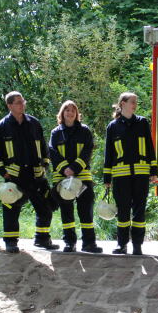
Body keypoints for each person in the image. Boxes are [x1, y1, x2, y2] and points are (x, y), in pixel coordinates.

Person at [0, 91, 59, 253]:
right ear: (9, 105)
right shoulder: (1, 126)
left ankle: (42, 239)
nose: (22, 105)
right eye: (18, 102)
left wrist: (45, 166)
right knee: (11, 210)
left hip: (36, 176)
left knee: (45, 208)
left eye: (23, 101)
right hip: (14, 177)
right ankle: (11, 242)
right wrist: (5, 174)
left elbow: (44, 148)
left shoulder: (34, 123)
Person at [103, 92, 157, 255]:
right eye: (132, 102)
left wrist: (153, 170)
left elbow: (149, 148)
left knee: (139, 211)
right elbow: (109, 154)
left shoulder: (142, 123)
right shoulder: (113, 126)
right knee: (123, 212)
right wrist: (107, 177)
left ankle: (137, 246)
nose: (135, 104)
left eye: (136, 102)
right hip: (121, 177)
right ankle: (122, 245)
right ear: (123, 104)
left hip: (141, 175)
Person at [49, 100, 103, 254]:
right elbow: (52, 152)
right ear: (62, 113)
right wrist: (65, 169)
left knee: (86, 210)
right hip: (62, 178)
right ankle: (69, 243)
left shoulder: (84, 131)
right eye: (67, 110)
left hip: (83, 177)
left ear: (77, 114)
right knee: (66, 211)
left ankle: (89, 243)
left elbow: (87, 151)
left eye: (73, 110)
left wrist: (74, 168)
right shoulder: (56, 133)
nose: (70, 113)